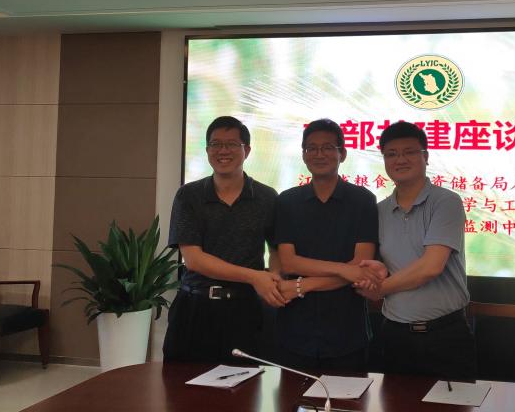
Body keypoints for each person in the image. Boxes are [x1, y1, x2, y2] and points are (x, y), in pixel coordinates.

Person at [357, 121, 477, 380]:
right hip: (395, 335)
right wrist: (374, 272)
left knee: (454, 403)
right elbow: (379, 266)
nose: (400, 160)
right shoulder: (379, 211)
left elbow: (430, 267)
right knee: (395, 401)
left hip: (445, 335)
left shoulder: (446, 202)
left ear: (426, 156)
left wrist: (379, 289)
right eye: (391, 154)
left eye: (409, 152)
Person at [163, 116, 285, 363]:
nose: (223, 151)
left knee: (245, 384)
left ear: (246, 150)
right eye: (216, 144)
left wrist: (273, 279)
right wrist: (254, 276)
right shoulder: (188, 195)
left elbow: (276, 250)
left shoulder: (267, 197)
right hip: (195, 308)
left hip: (246, 311)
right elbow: (194, 259)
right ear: (207, 150)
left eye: (231, 144)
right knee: (183, 385)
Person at [274, 119, 381, 372]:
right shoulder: (287, 201)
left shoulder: (363, 200)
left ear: (342, 154)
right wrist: (344, 269)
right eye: (311, 148)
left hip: (347, 332)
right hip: (295, 330)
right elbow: (289, 262)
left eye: (328, 147)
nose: (319, 154)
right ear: (303, 155)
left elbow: (360, 267)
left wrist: (300, 286)